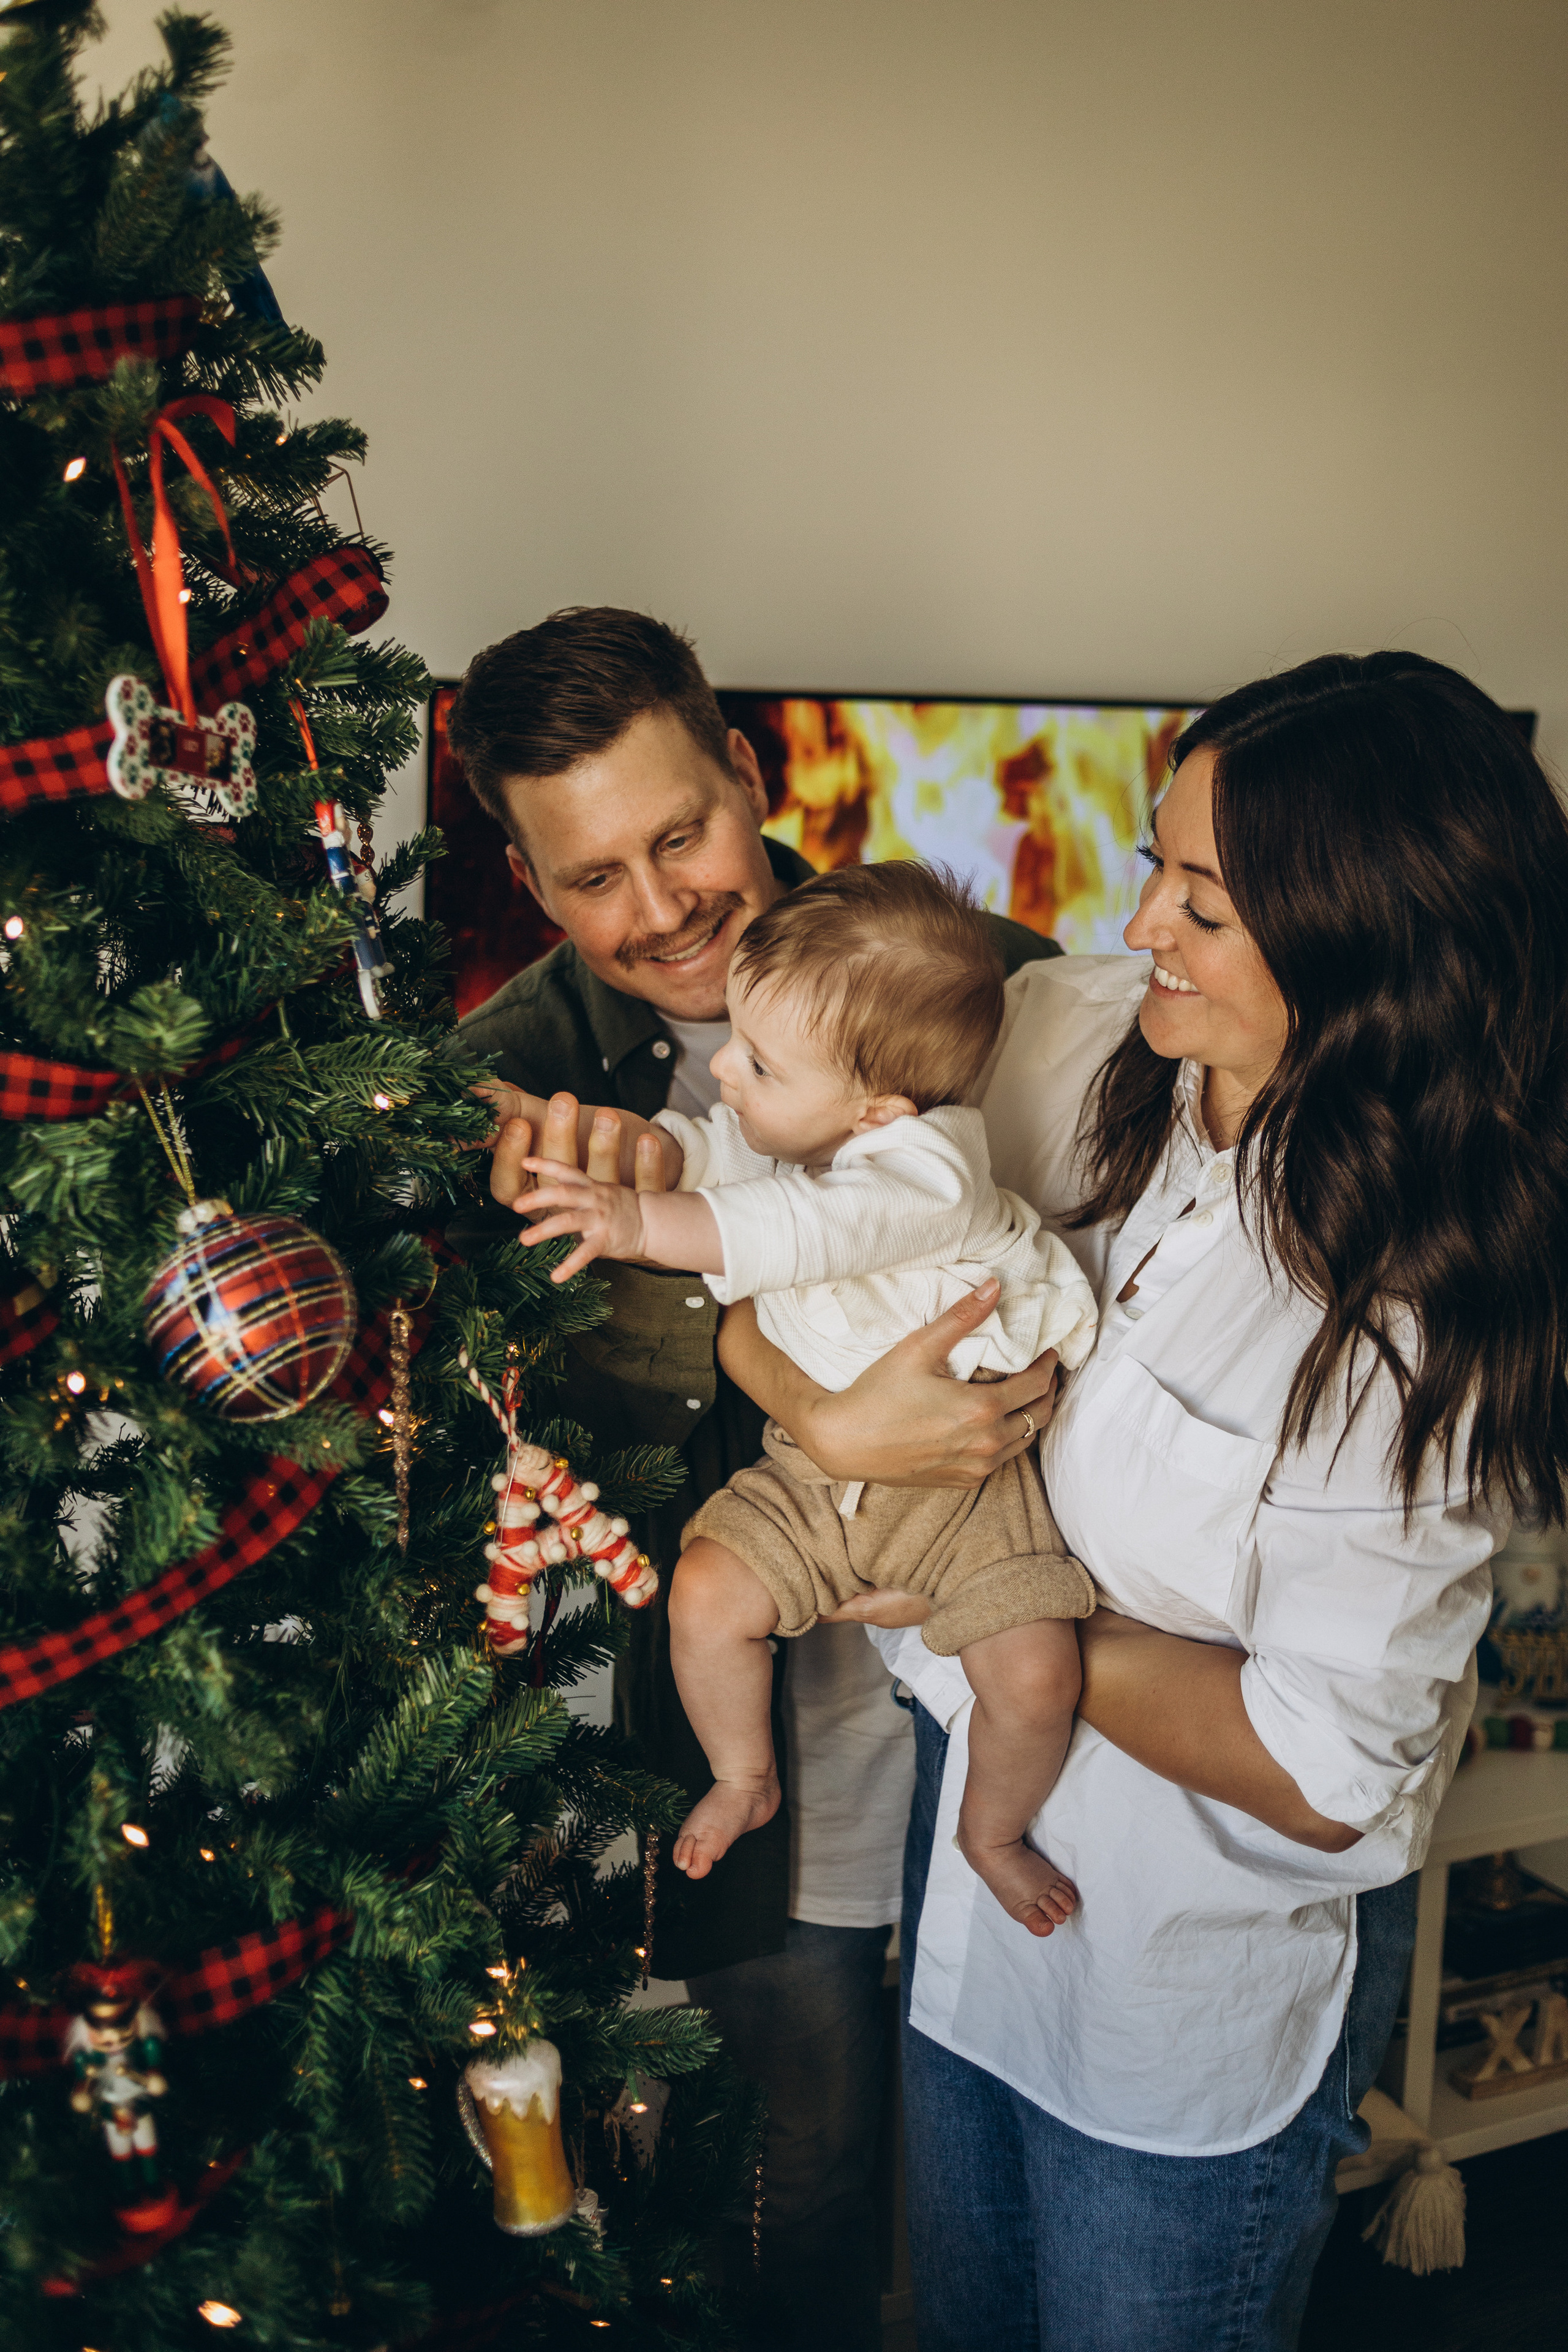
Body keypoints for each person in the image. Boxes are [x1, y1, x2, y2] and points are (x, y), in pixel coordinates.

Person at [711, 652, 1568, 2349]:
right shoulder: (1084, 1041)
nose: (1142, 923)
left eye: (1205, 900)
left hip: (1174, 2012)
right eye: (1155, 864)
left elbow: (1330, 1769)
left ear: (1366, 937)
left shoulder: (1404, 1317)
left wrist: (983, 1606)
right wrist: (835, 1421)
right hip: (976, 1928)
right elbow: (772, 1269)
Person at [440, 607, 1064, 2349]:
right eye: (591, 879)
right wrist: (808, 1401)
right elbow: (530, 1429)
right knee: (791, 2181)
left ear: (748, 771)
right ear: (522, 874)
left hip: (1044, 1706)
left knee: (998, 2207)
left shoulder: (991, 980)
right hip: (749, 1768)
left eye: (681, 837)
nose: (657, 912)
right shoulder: (508, 1086)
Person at [499, 862, 1098, 1927]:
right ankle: (744, 1775)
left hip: (970, 1498)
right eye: (734, 1035)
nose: (725, 1067)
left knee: (1037, 1675)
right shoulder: (804, 1127)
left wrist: (635, 1229)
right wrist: (641, 1155)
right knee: (704, 1594)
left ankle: (993, 1830)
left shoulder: (927, 1172)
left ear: (880, 1108)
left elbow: (794, 1233)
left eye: (759, 1062)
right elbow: (708, 1151)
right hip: (810, 1474)